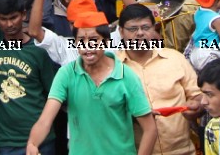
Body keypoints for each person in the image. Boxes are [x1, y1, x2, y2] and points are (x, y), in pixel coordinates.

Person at [24, 11, 157, 155]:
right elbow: (45, 120)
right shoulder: (67, 74)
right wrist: (32, 143)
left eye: (94, 39)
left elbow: (150, 129)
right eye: (81, 40)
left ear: (106, 42)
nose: (87, 46)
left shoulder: (126, 76)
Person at [0, 0, 60, 155]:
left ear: (24, 14)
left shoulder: (39, 50)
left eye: (13, 17)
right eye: (3, 19)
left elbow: (53, 94)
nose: (9, 24)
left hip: (41, 140)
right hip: (6, 142)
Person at [114, 4, 202, 155]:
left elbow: (198, 96)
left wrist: (196, 107)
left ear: (154, 28)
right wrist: (136, 115)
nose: (140, 33)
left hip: (182, 151)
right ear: (121, 32)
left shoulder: (175, 58)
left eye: (145, 27)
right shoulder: (113, 69)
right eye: (133, 29)